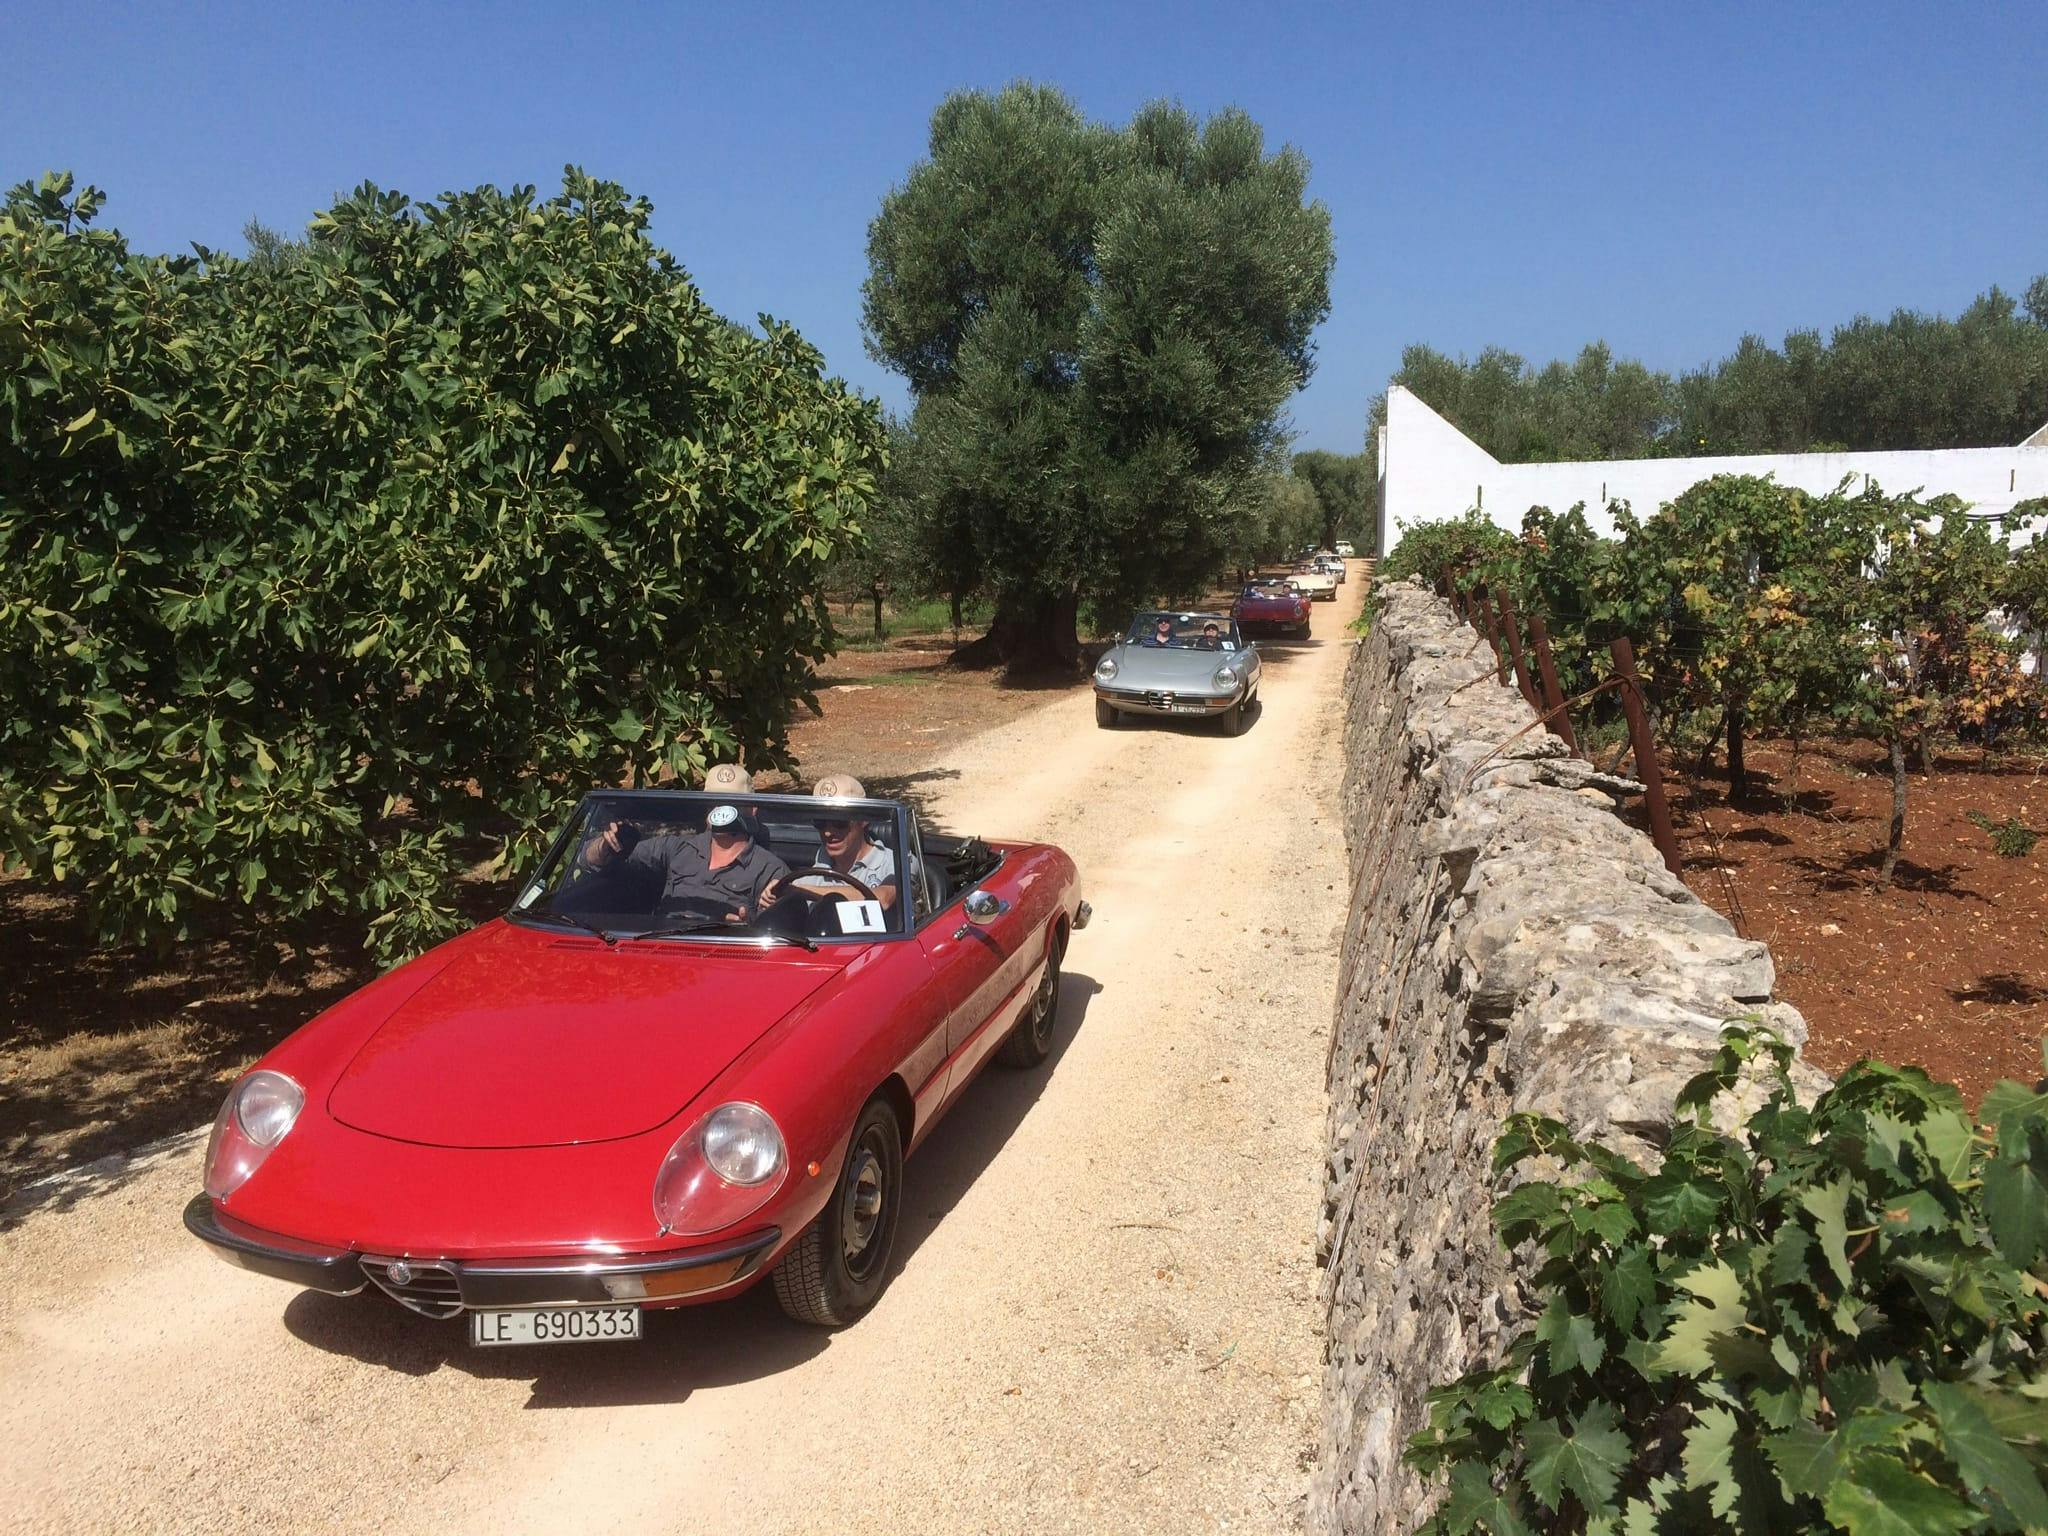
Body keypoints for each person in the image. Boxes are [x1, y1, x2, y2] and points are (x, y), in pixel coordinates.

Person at [578, 765, 786, 922]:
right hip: (662, 951)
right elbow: (591, 861)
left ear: (752, 810)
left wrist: (747, 928)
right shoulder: (676, 848)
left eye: (731, 803)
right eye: (714, 802)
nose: (721, 811)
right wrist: (605, 846)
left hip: (724, 958)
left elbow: (775, 931)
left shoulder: (769, 868)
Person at [760, 772, 911, 913]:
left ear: (863, 820)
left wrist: (800, 892)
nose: (828, 832)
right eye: (820, 822)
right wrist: (774, 900)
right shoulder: (811, 876)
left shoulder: (896, 863)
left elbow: (882, 899)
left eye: (839, 822)